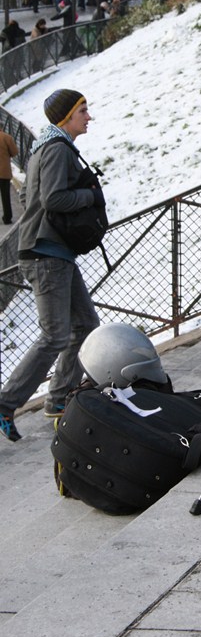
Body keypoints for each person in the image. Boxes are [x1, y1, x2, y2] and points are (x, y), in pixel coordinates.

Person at [0, 90, 102, 442]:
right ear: (66, 117)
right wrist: (90, 195)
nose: (89, 117)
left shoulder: (44, 146)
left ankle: (59, 399)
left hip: (53, 251)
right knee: (55, 334)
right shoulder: (57, 149)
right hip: (46, 253)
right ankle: (5, 403)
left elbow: (29, 197)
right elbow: (54, 198)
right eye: (83, 111)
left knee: (86, 323)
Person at [0, 127, 18, 225]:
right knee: (5, 196)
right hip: (3, 172)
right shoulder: (6, 137)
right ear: (1, 127)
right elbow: (15, 152)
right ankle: (7, 218)